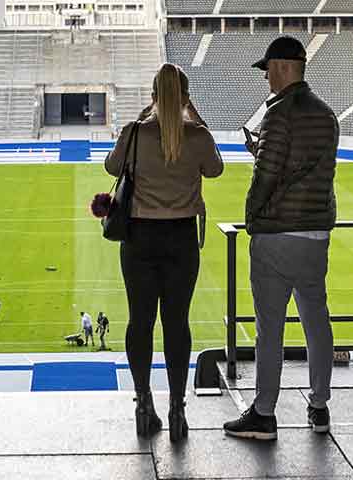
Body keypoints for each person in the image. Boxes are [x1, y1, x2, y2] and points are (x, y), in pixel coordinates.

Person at [224, 36, 339, 441]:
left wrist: (252, 215)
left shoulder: (277, 115)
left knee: (269, 327)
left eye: (269, 69)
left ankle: (265, 414)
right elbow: (305, 171)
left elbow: (268, 177)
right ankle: (320, 406)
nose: (266, 78)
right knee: (316, 320)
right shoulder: (327, 116)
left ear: (284, 67)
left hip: (276, 236)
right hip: (316, 235)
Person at [106, 63, 223, 441]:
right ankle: (177, 408)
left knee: (139, 322)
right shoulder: (197, 136)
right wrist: (193, 113)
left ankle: (143, 402)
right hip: (181, 238)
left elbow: (111, 165)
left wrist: (144, 116)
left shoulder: (137, 133)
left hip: (139, 237)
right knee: (177, 324)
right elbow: (216, 169)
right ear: (186, 98)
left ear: (153, 96)